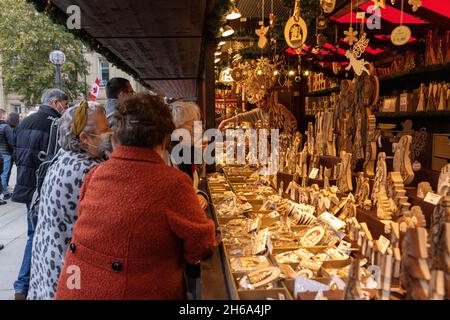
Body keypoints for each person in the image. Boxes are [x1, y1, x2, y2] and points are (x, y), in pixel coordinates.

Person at [55, 93, 216, 300]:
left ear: (117, 136)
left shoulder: (95, 173)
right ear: (164, 138)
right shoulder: (172, 183)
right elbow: (201, 244)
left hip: (74, 289)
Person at [28, 102, 110, 300]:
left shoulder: (64, 157)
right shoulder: (88, 171)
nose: (110, 134)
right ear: (84, 138)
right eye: (105, 130)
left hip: (50, 266)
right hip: (68, 274)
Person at [12, 89, 69, 300]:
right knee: (37, 236)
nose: (65, 107)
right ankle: (23, 283)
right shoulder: (54, 123)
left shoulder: (24, 122)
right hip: (43, 189)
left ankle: (23, 284)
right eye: (65, 103)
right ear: (55, 103)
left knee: (33, 234)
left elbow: (17, 153)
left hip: (27, 185)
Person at [218, 92, 297, 134]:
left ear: (268, 99)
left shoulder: (279, 108)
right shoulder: (257, 112)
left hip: (282, 141)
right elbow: (241, 117)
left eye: (261, 101)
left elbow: (292, 121)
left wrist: (288, 134)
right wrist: (225, 121)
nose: (259, 105)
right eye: (257, 103)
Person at [0, 109, 14, 200]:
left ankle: (4, 191)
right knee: (4, 174)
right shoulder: (6, 127)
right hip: (5, 153)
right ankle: (4, 193)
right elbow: (11, 141)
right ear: (2, 116)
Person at [5, 112, 20, 189]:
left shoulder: (7, 126)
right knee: (6, 172)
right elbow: (12, 142)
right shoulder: (10, 128)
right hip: (9, 153)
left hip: (7, 152)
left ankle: (5, 186)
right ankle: (5, 188)